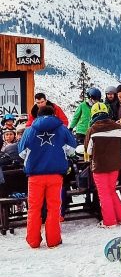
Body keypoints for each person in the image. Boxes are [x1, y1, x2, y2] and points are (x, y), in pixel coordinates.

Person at [18, 103, 77, 249]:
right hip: (55, 175)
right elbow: (72, 149)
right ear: (53, 114)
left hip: (34, 176)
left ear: (37, 115)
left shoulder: (29, 131)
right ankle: (53, 240)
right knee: (54, 208)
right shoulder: (62, 129)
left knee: (34, 208)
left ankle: (33, 241)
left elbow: (21, 153)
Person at [85, 102, 121, 228]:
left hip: (99, 166)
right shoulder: (117, 127)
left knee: (104, 194)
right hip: (115, 165)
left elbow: (88, 151)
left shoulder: (92, 130)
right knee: (112, 191)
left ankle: (109, 222)